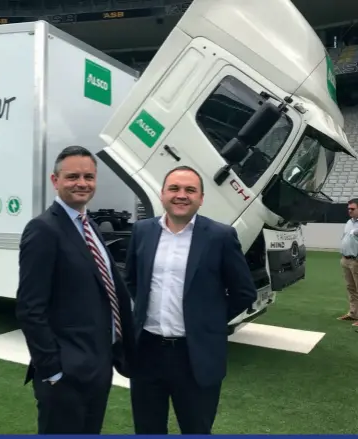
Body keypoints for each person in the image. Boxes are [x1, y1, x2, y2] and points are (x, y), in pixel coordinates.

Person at [124, 165, 257, 435]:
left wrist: (208, 323)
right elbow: (132, 280)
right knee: (147, 429)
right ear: (162, 195)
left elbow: (244, 292)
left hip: (195, 356)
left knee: (196, 429)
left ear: (201, 198)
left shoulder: (220, 236)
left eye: (189, 190)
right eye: (174, 188)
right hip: (147, 352)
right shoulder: (142, 231)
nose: (181, 195)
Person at [15, 145, 136, 435]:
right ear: (55, 181)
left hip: (98, 366)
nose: (82, 183)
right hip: (66, 374)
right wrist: (53, 371)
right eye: (72, 177)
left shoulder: (90, 225)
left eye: (89, 176)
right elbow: (30, 307)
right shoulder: (43, 229)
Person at [338, 198, 358, 326]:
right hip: (345, 259)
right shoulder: (349, 222)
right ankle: (353, 313)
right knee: (351, 288)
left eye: (353, 209)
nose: (349, 211)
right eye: (348, 209)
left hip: (356, 260)